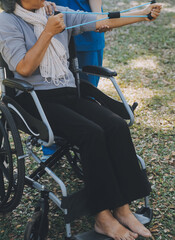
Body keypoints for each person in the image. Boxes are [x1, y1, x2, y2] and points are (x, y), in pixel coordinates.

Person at [0, 0, 162, 239]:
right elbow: (23, 68)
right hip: (34, 100)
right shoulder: (7, 22)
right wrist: (47, 33)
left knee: (116, 126)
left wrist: (143, 15)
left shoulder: (55, 12)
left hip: (66, 92)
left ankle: (123, 209)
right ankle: (102, 218)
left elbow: (102, 21)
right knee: (91, 133)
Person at [42, 0, 106, 158]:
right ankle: (51, 146)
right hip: (52, 25)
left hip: (87, 30)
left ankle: (86, 146)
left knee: (86, 95)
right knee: (51, 92)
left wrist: (98, 15)